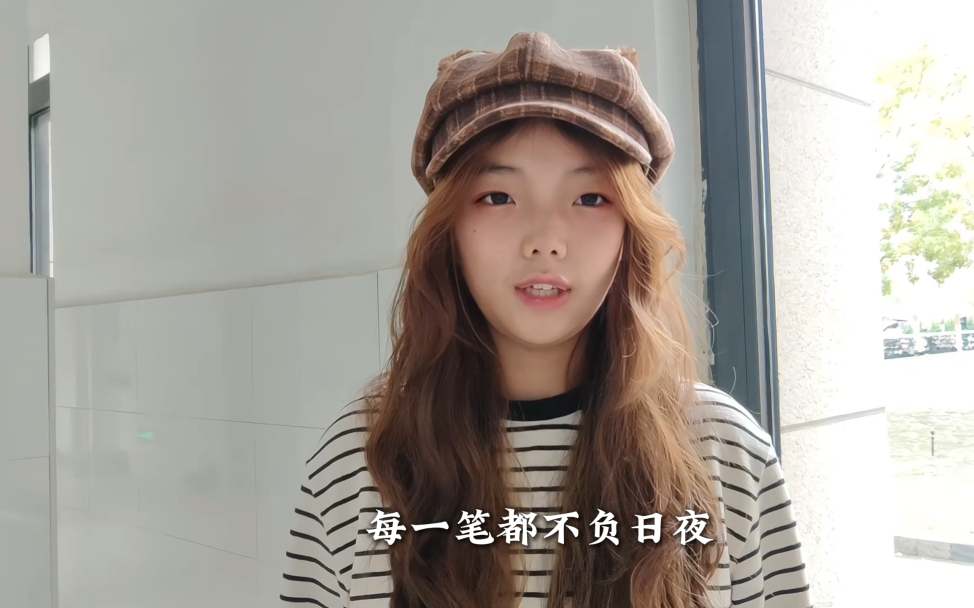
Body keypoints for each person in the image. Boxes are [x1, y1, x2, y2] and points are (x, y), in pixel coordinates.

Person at [280, 31, 811, 608]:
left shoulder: (721, 449)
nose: (545, 240)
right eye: (498, 197)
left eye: (590, 198)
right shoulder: (362, 456)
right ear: (448, 231)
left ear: (630, 231)